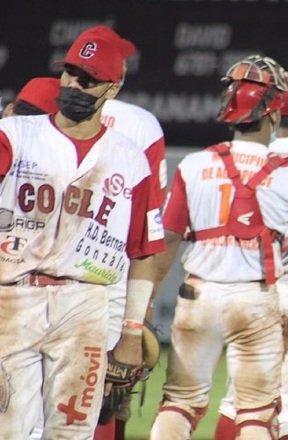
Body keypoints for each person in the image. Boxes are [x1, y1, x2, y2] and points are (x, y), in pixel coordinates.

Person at [148, 55, 288, 440]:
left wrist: (144, 305)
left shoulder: (194, 165)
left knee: (180, 403)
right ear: (273, 114)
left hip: (196, 295)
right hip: (253, 299)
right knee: (254, 414)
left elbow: (166, 240)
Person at [0, 33, 164, 438]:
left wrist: (129, 333)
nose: (73, 85)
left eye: (87, 79)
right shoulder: (15, 135)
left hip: (85, 302)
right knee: (12, 430)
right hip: (14, 296)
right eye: (70, 74)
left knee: (73, 431)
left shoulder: (130, 158)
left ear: (112, 88)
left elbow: (143, 250)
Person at [65, 25, 168, 440]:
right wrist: (139, 314)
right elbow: (148, 225)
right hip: (106, 279)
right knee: (101, 401)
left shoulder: (37, 113)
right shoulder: (142, 125)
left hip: (33, 280)